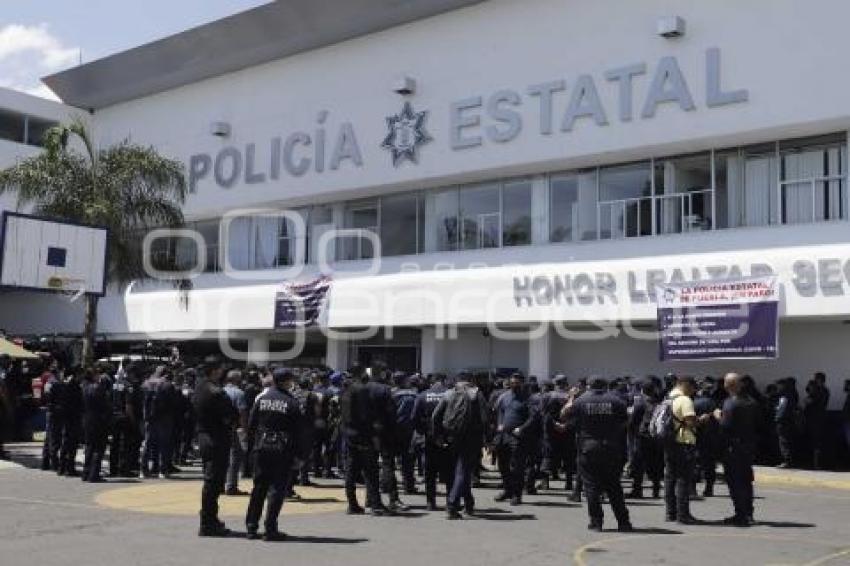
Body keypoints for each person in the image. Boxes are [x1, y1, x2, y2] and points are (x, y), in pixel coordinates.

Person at [563, 377, 632, 532]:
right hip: (611, 447)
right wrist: (615, 431)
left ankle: (596, 522)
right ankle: (623, 522)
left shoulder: (581, 401)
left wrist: (572, 398)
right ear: (606, 385)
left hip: (588, 448)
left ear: (589, 386)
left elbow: (564, 415)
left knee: (591, 487)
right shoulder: (616, 401)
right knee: (614, 487)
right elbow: (627, 420)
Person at [244, 368, 305, 541]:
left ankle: (251, 526)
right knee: (277, 489)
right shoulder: (291, 402)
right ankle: (270, 529)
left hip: (261, 448)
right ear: (286, 381)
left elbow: (251, 425)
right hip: (282, 451)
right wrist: (299, 456)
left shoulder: (262, 399)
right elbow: (299, 432)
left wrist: (251, 449)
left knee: (259, 488)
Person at [432, 373, 488, 519]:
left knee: (460, 471)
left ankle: (469, 504)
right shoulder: (476, 393)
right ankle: (452, 505)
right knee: (463, 471)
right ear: (471, 380)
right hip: (471, 439)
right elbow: (485, 419)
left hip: (452, 437)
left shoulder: (449, 393)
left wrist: (437, 435)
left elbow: (435, 416)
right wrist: (487, 439)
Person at [194, 356, 237, 537]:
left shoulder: (199, 387)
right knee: (213, 482)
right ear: (215, 370)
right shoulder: (216, 392)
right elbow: (230, 415)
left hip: (203, 436)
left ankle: (210, 518)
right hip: (216, 438)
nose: (222, 372)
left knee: (211, 480)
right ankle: (208, 522)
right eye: (220, 369)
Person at [340, 368, 389, 516]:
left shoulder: (346, 391)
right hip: (363, 436)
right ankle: (375, 505)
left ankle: (352, 504)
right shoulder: (362, 391)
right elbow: (365, 416)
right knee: (371, 471)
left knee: (351, 471)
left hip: (349, 435)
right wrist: (373, 434)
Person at [713, 372, 759, 527]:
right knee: (746, 480)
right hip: (748, 445)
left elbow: (726, 426)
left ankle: (741, 514)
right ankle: (749, 513)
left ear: (727, 385)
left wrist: (718, 416)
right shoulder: (751, 402)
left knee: (734, 482)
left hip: (733, 448)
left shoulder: (730, 403)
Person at [494, 373, 539, 506]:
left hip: (519, 437)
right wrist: (500, 423)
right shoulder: (505, 397)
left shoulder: (528, 399)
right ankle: (507, 490)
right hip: (503, 436)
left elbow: (533, 417)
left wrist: (522, 429)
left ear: (522, 384)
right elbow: (500, 412)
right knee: (502, 465)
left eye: (516, 383)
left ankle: (516, 494)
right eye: (512, 383)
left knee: (517, 467)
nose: (514, 385)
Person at [664, 375, 699, 524]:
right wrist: (701, 420)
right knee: (683, 480)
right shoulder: (685, 400)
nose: (694, 391)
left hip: (669, 442)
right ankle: (683, 515)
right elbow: (690, 422)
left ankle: (670, 513)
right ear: (685, 385)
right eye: (693, 387)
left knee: (670, 479)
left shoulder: (668, 398)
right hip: (683, 442)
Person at [412, 374, 449, 510]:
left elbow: (414, 418)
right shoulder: (450, 395)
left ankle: (430, 502)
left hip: (429, 439)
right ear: (443, 381)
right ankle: (450, 502)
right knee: (449, 472)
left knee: (430, 473)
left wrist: (423, 432)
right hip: (447, 439)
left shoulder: (422, 396)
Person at [628, 379, 663, 499]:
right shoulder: (658, 402)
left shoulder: (640, 403)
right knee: (655, 464)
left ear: (642, 390)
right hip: (656, 438)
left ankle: (637, 489)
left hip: (642, 437)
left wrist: (632, 434)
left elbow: (633, 422)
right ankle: (656, 489)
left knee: (639, 465)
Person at [390, 371, 419, 495]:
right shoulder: (414, 393)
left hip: (394, 429)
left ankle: (389, 485)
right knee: (408, 459)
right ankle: (409, 485)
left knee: (390, 460)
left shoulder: (391, 393)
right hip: (410, 430)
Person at [81, 368, 112, 483]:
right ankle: (94, 474)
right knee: (99, 448)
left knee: (89, 447)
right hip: (99, 420)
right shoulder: (99, 388)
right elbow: (106, 406)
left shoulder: (84, 388)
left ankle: (86, 472)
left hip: (88, 419)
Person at [109, 362, 138, 477]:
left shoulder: (114, 384)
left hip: (114, 417)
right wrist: (133, 420)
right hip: (124, 418)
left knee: (114, 444)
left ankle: (113, 469)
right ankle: (123, 469)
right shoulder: (128, 386)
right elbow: (128, 405)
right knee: (125, 445)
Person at [223, 370, 249, 496]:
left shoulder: (220, 391)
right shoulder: (239, 393)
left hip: (220, 429)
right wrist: (245, 429)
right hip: (234, 429)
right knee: (234, 457)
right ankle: (231, 485)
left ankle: (219, 484)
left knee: (222, 457)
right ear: (237, 380)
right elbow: (242, 413)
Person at [803, 373, 830, 470]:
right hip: (818, 418)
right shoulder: (824, 390)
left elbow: (808, 401)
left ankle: (816, 463)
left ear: (819, 380)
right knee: (816, 441)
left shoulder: (819, 391)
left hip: (815, 419)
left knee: (815, 442)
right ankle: (816, 463)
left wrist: (810, 390)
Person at [774, 378, 798, 469]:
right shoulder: (793, 394)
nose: (778, 387)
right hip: (788, 420)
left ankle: (787, 461)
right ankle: (788, 460)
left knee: (783, 441)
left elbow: (782, 409)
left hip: (784, 421)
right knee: (787, 440)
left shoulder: (785, 395)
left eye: (779, 385)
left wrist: (778, 417)